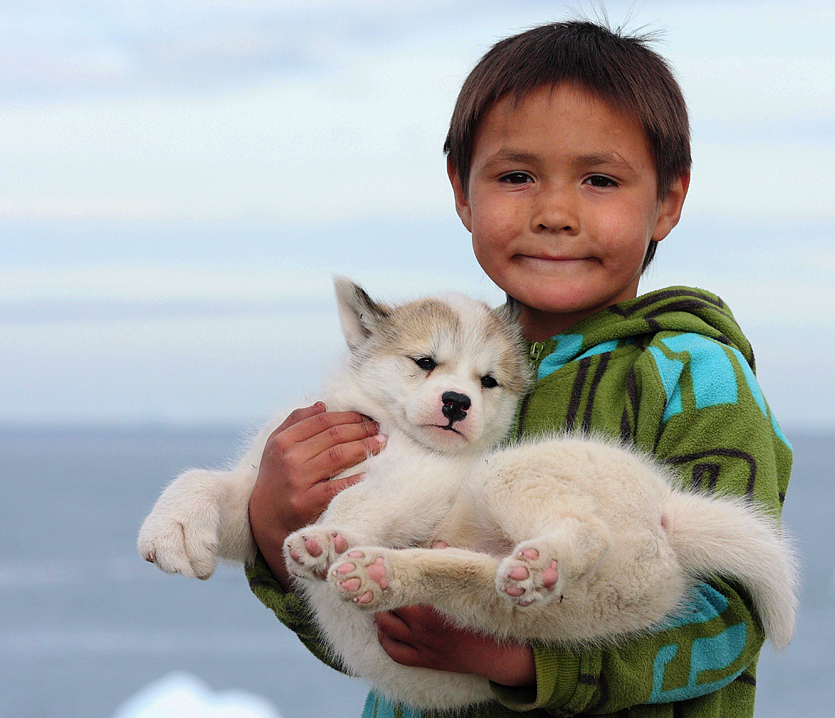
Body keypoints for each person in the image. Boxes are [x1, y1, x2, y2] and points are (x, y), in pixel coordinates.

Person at [245, 19, 793, 718]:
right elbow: (370, 638)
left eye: (599, 179)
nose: (555, 212)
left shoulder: (696, 374)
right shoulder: (428, 385)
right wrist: (273, 533)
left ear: (668, 201)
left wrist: (525, 663)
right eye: (516, 176)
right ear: (462, 192)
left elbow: (731, 623)